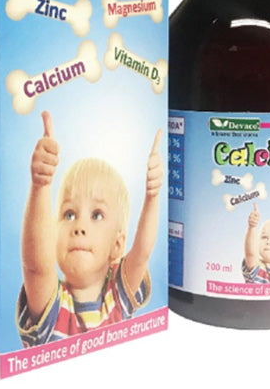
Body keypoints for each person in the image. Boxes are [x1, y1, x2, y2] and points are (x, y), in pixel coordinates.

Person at [17, 111, 163, 345]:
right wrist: (40, 184)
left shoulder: (118, 296)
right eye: (69, 214)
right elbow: (36, 267)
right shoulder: (52, 306)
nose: (79, 226)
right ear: (52, 236)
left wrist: (153, 195)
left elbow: (142, 253)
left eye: (96, 215)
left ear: (117, 245)